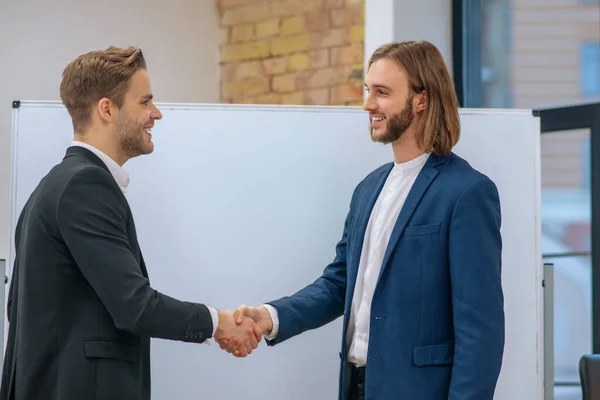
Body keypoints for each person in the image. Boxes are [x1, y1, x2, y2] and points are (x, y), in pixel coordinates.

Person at [220, 40, 505, 400]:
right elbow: (339, 284)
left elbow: (481, 331)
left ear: (422, 99)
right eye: (369, 91)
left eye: (382, 92)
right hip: (356, 387)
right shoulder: (368, 189)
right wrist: (269, 316)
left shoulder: (467, 192)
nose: (368, 104)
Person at [0, 46, 262, 400]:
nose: (156, 114)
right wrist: (217, 322)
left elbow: (17, 309)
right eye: (145, 102)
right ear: (107, 109)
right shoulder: (85, 186)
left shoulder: (52, 186)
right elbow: (135, 307)